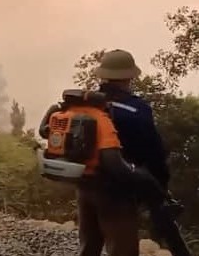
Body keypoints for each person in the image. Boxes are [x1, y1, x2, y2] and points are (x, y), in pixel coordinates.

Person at [39, 89, 165, 256]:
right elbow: (113, 163)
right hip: (110, 191)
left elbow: (44, 131)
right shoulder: (100, 119)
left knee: (89, 245)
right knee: (122, 248)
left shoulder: (67, 113)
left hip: (84, 187)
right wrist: (146, 181)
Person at [94, 49, 170, 189]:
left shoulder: (90, 104)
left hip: (86, 187)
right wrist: (161, 186)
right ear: (130, 77)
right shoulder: (137, 109)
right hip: (118, 189)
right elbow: (154, 153)